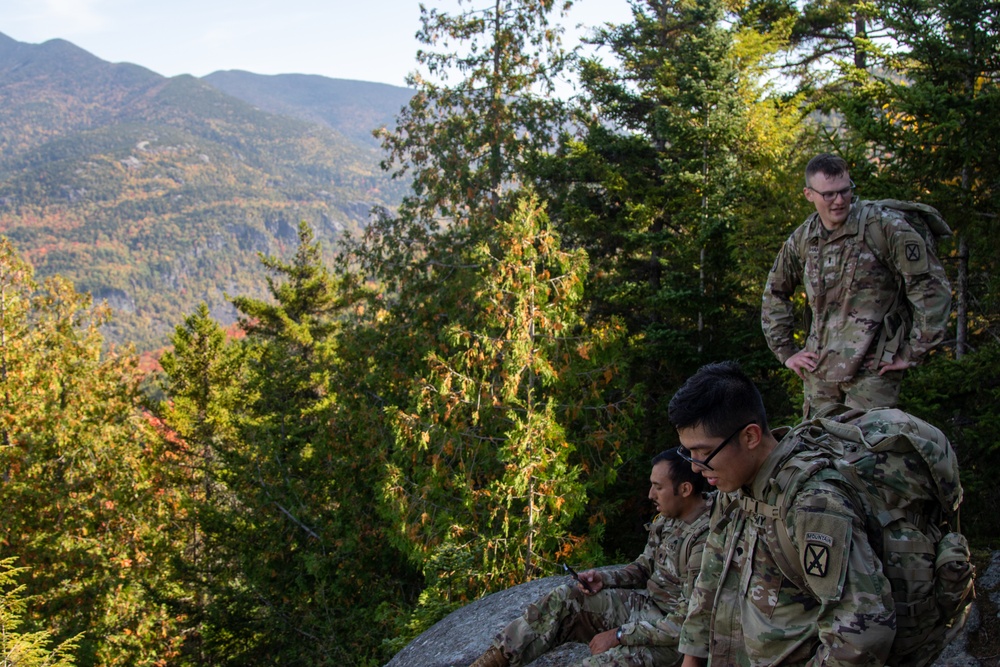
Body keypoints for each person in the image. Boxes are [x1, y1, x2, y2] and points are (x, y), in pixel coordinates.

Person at [669, 361, 896, 667]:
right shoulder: (732, 490)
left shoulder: (813, 505)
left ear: (750, 436)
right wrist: (692, 659)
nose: (695, 467)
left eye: (703, 452)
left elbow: (861, 635)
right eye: (688, 452)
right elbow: (711, 578)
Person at [468, 448, 714, 667]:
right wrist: (603, 579)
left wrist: (619, 635)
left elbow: (685, 624)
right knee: (565, 599)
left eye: (658, 487)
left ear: (685, 489)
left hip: (675, 643)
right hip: (648, 611)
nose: (651, 494)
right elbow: (644, 567)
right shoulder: (669, 519)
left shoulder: (706, 542)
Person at [761, 153, 951, 417]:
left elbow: (931, 287)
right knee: (818, 451)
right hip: (820, 371)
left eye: (845, 191)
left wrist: (913, 350)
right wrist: (786, 351)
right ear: (809, 194)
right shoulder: (804, 238)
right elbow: (775, 292)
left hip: (873, 370)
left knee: (864, 453)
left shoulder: (884, 227)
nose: (839, 201)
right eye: (829, 194)